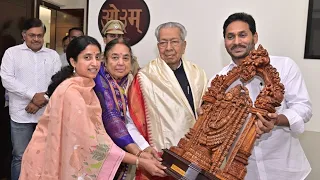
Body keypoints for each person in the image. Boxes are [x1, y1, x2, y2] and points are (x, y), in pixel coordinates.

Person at [19, 36, 166, 180]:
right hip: (48, 161)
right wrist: (139, 160)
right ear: (73, 61)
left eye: (97, 57)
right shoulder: (71, 92)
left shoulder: (88, 86)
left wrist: (142, 152)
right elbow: (93, 143)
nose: (95, 63)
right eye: (87, 57)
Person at [210, 12, 312, 180]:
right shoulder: (218, 81)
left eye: (242, 35)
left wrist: (277, 120)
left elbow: (303, 108)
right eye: (230, 37)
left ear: (255, 37)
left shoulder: (284, 66)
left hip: (285, 170)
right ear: (225, 42)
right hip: (244, 174)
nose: (236, 42)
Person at [128, 21, 207, 157]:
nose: (168, 48)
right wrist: (144, 148)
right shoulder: (145, 77)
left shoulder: (198, 74)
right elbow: (133, 119)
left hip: (195, 154)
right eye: (163, 42)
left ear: (184, 46)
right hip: (161, 155)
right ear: (158, 46)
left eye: (174, 42)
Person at [0, 18, 61, 180]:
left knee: (47, 155)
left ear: (44, 36)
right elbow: (7, 79)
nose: (36, 39)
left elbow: (57, 82)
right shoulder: (12, 53)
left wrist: (43, 98)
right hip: (20, 114)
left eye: (39, 35)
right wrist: (33, 96)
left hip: (46, 115)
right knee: (20, 155)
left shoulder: (53, 55)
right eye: (32, 35)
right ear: (23, 35)